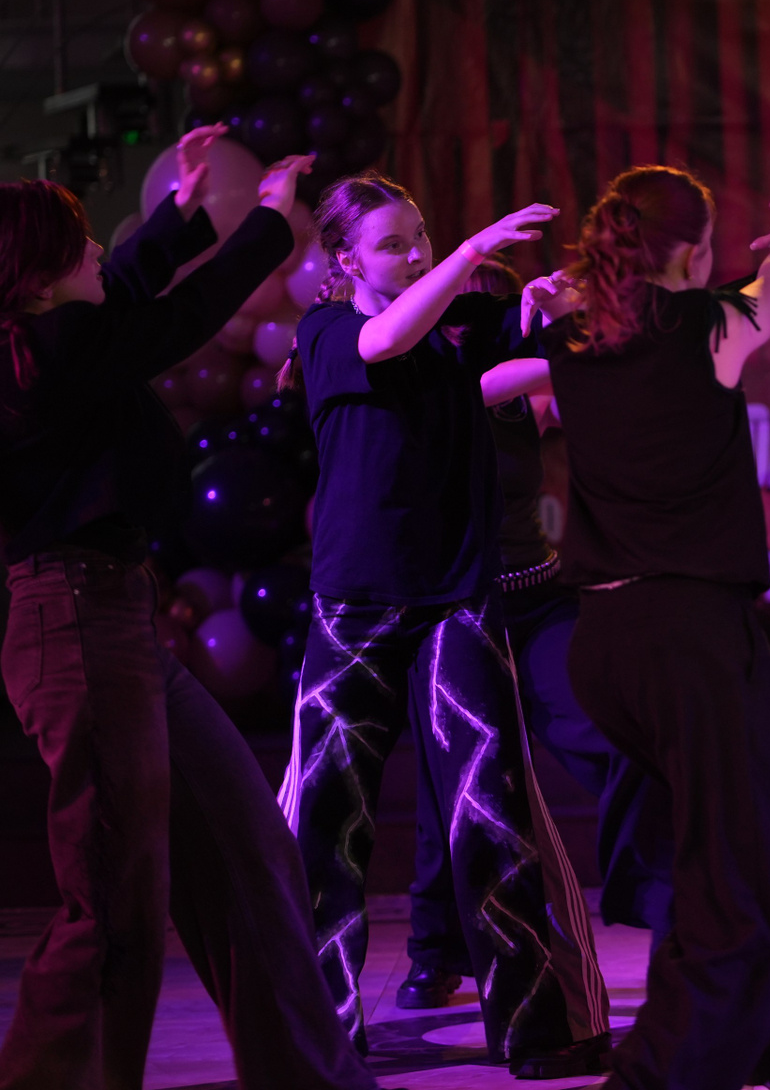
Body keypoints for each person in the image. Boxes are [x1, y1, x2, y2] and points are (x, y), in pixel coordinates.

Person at [0, 130, 376, 1090]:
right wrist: (267, 227)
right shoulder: (42, 359)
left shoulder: (58, 336)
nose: (98, 248)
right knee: (112, 906)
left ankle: (309, 1077)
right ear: (35, 282)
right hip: (76, 624)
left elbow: (121, 291)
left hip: (117, 621)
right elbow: (172, 319)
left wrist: (179, 217)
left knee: (247, 849)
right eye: (77, 243)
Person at [531, 165, 770, 1090]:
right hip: (687, 639)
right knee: (733, 888)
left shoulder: (578, 336)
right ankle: (656, 1077)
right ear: (695, 251)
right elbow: (765, 291)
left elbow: (743, 302)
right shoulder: (705, 327)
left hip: (609, 643)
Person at [274, 171, 608, 1078]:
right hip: (355, 609)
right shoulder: (327, 331)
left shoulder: (462, 326)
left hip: (458, 602)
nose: (416, 252)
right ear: (347, 261)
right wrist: (472, 251)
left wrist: (555, 311)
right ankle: (317, 1037)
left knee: (491, 813)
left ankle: (534, 1029)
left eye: (420, 235)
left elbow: (561, 351)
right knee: (326, 826)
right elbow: (386, 339)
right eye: (393, 243)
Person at [396, 255, 670, 1011]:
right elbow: (499, 378)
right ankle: (434, 950)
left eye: (491, 308)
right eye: (462, 310)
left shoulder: (526, 393)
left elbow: (593, 394)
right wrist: (557, 335)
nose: (471, 323)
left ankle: (661, 896)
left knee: (611, 738)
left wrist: (562, 320)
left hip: (538, 601)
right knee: (448, 785)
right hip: (456, 612)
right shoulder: (433, 384)